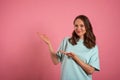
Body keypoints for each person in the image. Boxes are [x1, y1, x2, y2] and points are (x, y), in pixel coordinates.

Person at [37, 15, 100, 80]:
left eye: (82, 26)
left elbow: (90, 71)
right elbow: (55, 61)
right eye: (76, 25)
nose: (78, 28)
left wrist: (75, 58)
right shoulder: (67, 41)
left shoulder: (93, 47)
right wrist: (49, 44)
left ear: (87, 27)